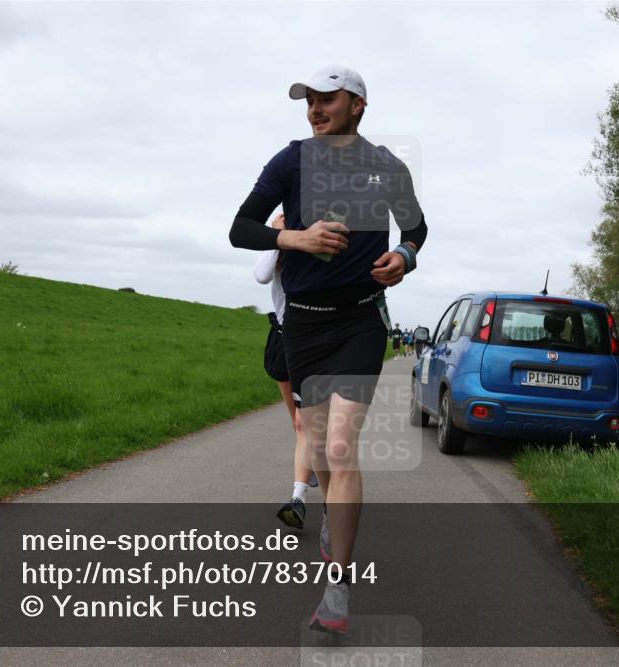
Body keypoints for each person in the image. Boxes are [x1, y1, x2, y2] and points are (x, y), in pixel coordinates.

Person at [229, 64, 427, 635]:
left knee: (341, 450)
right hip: (305, 328)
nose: (314, 109)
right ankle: (326, 516)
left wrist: (405, 258)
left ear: (358, 104)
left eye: (327, 99)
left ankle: (337, 589)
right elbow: (241, 227)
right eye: (309, 100)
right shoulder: (290, 160)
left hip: (360, 322)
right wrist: (293, 236)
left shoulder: (387, 166)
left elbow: (416, 229)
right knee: (317, 454)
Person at [254, 212, 321, 529]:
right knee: (298, 422)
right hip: (283, 340)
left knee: (306, 424)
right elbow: (261, 275)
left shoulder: (319, 238)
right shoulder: (280, 238)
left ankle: (298, 498)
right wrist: (276, 237)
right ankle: (310, 470)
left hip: (315, 341)